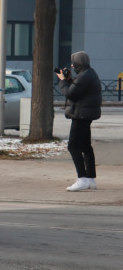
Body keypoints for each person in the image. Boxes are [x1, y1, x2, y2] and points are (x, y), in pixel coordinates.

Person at [57, 51, 101, 192]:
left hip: (81, 115)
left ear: (78, 63)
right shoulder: (88, 74)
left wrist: (63, 81)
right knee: (85, 146)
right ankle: (90, 179)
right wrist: (69, 80)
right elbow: (77, 90)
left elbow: (71, 94)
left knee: (73, 146)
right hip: (84, 114)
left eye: (73, 63)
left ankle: (82, 178)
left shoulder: (84, 76)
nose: (71, 65)